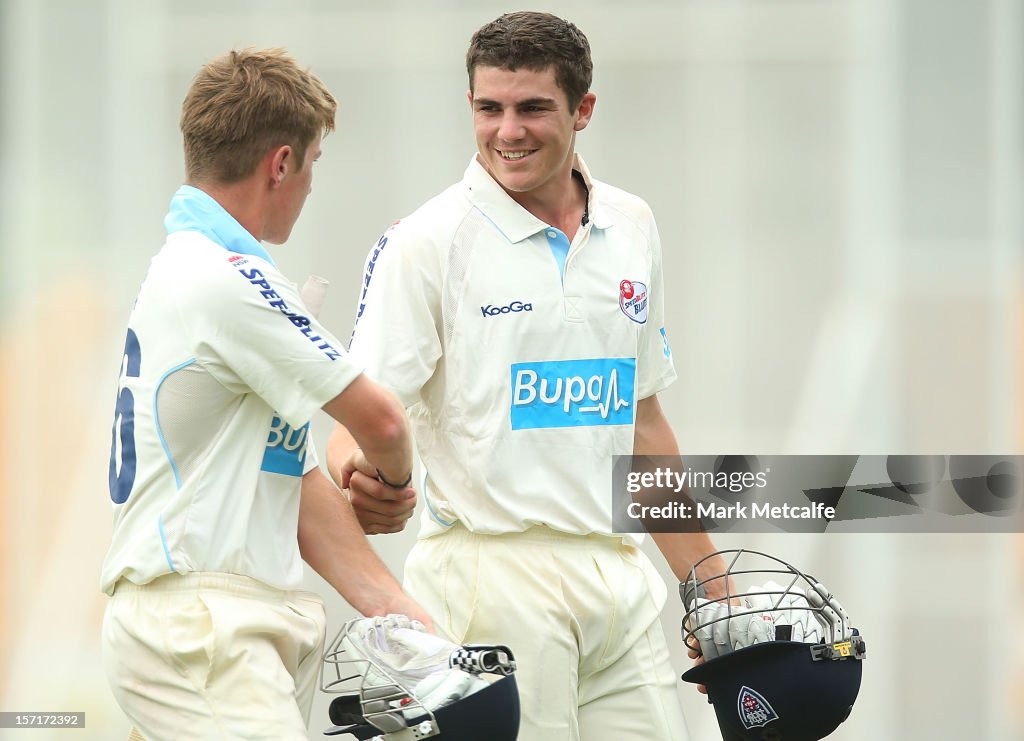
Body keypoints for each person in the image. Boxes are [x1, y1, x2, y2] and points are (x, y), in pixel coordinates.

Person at [328, 12, 730, 741]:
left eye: (533, 108)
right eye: (489, 108)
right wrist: (359, 477)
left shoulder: (632, 225)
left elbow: (641, 424)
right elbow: (356, 420)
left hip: (618, 576)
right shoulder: (427, 242)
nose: (507, 131)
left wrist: (710, 585)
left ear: (583, 110)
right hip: (490, 580)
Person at [100, 48, 430, 741]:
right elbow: (383, 421)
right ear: (281, 164)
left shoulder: (206, 271)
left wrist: (403, 615)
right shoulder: (223, 278)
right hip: (201, 629)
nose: (310, 186)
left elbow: (291, 475)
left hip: (207, 626)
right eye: (311, 163)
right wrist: (392, 485)